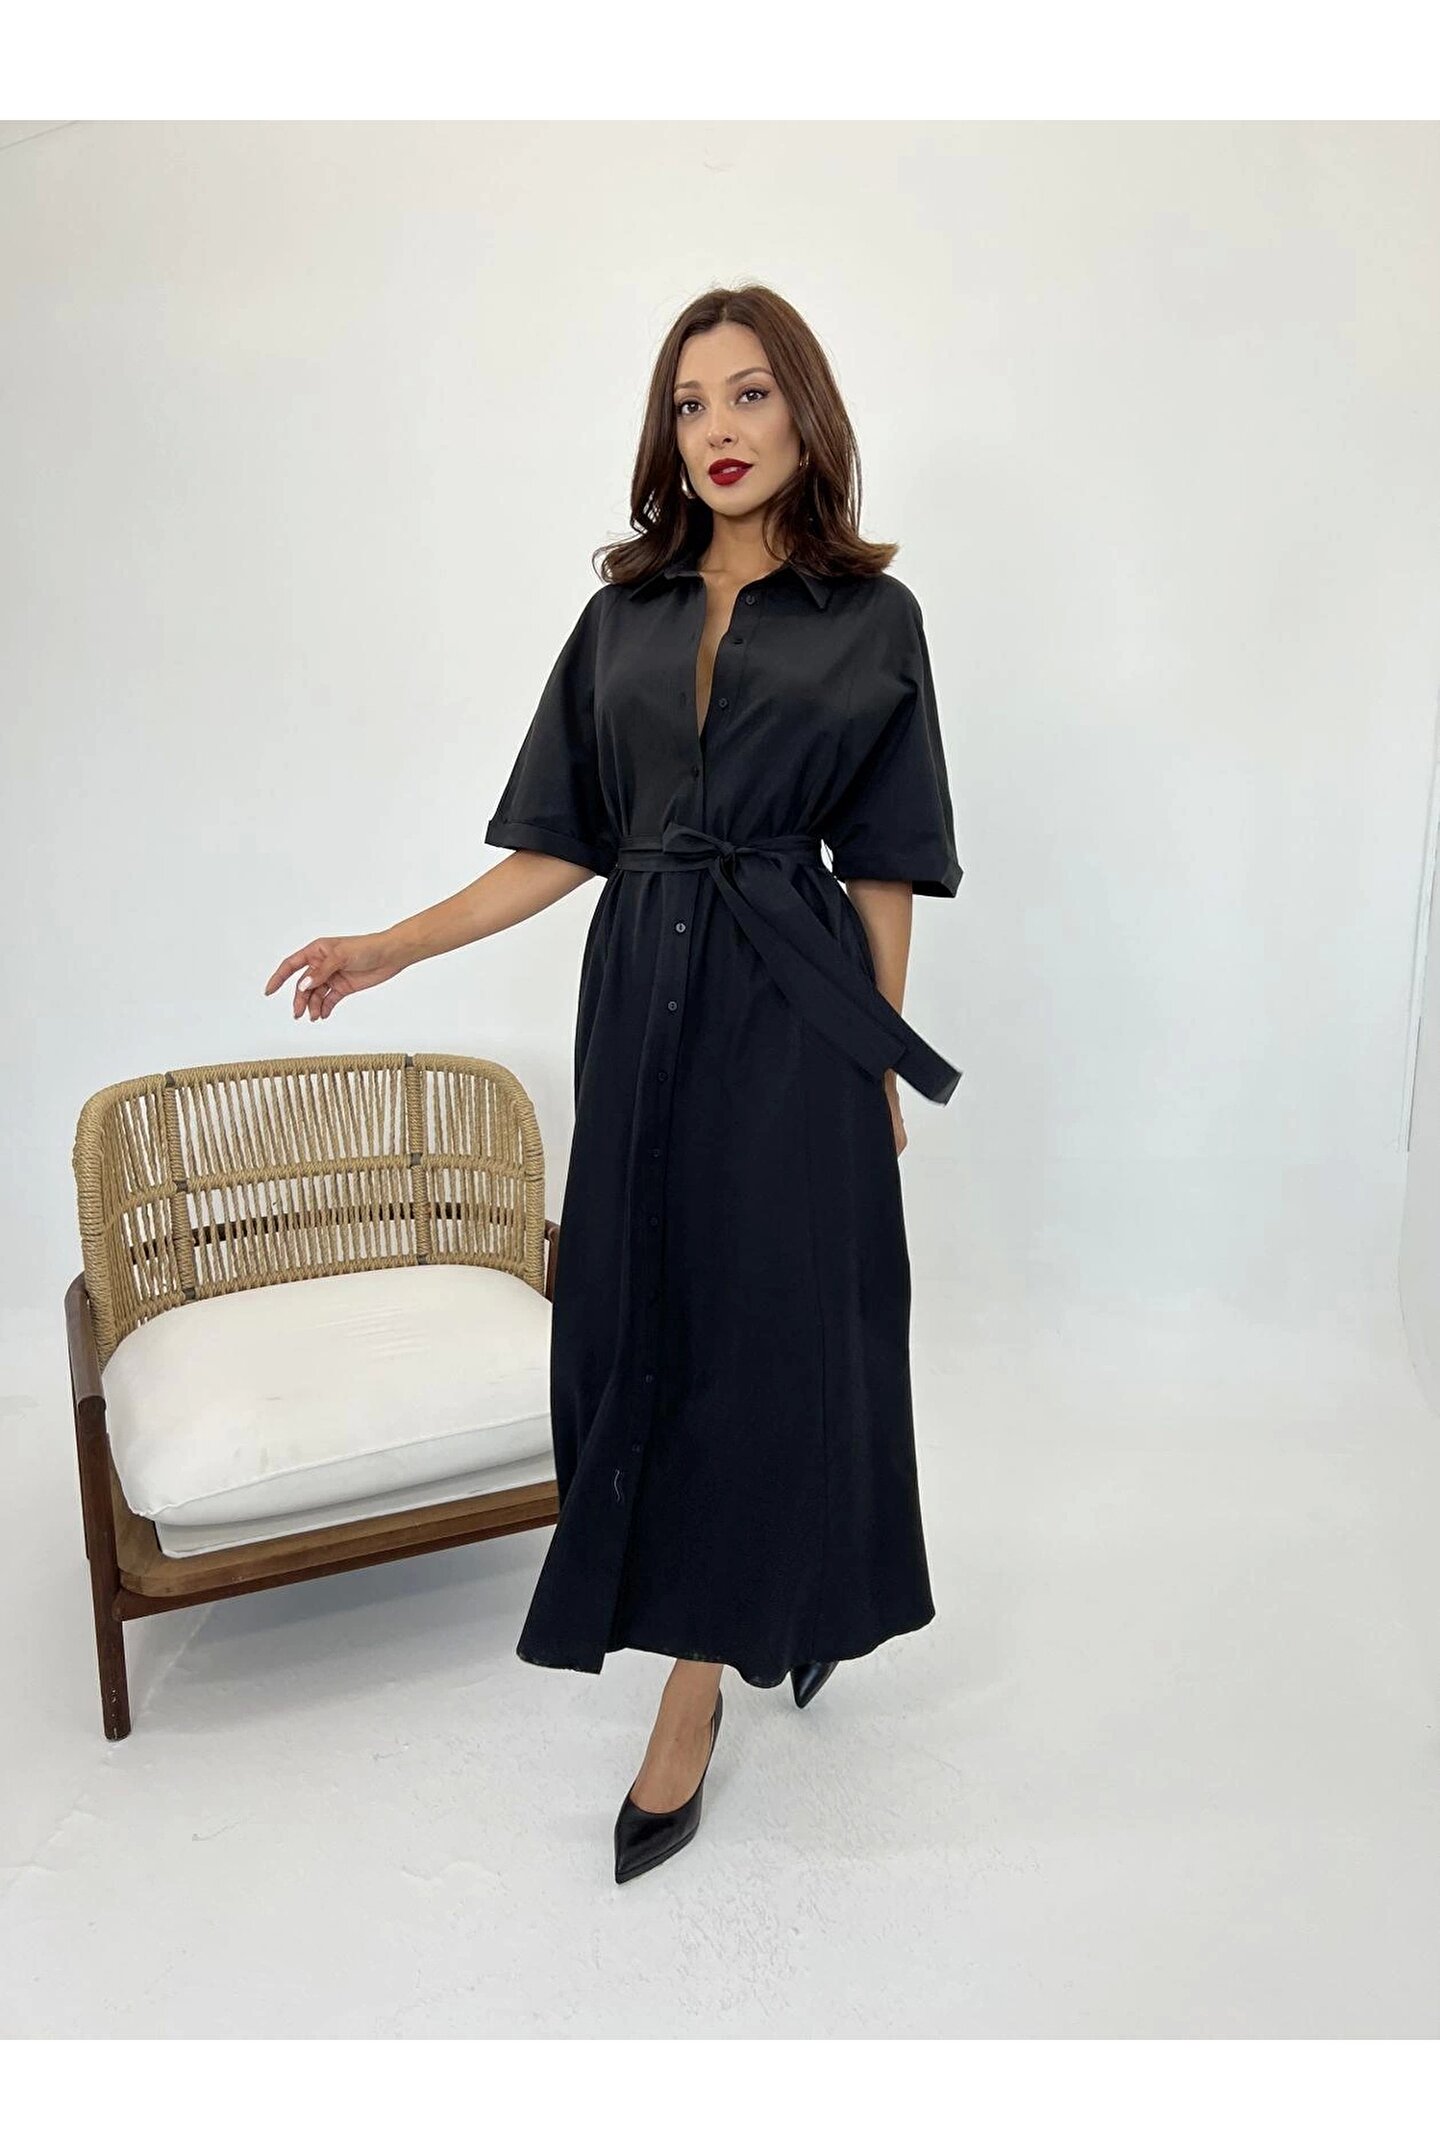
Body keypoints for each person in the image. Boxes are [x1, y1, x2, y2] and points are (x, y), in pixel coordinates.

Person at [264, 283, 963, 1884]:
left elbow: (885, 861)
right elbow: (561, 842)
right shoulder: (622, 619)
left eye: (751, 394)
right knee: (645, 1317)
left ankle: (697, 1682)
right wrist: (391, 946)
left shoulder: (874, 619)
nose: (719, 429)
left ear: (806, 415)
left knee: (785, 1329)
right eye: (691, 402)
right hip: (645, 1005)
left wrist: (878, 1052)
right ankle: (746, 1610)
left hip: (793, 1008)